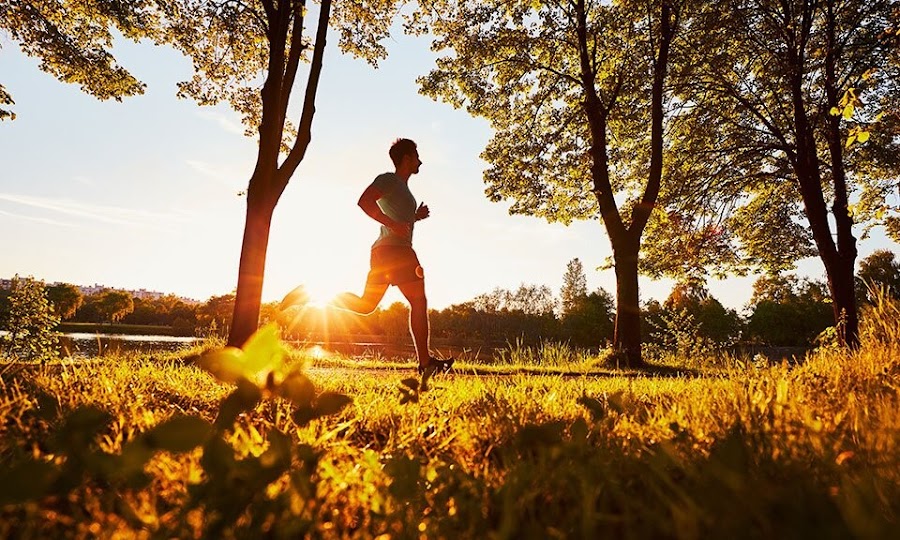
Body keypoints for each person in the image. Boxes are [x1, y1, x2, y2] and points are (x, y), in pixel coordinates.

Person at [281, 138, 453, 376]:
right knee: (419, 302)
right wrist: (393, 224)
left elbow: (400, 220)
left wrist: (415, 217)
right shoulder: (389, 180)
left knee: (366, 305)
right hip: (397, 251)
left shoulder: (402, 188)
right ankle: (425, 364)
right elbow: (364, 201)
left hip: (386, 252)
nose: (420, 161)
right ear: (406, 158)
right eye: (416, 156)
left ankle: (307, 296)